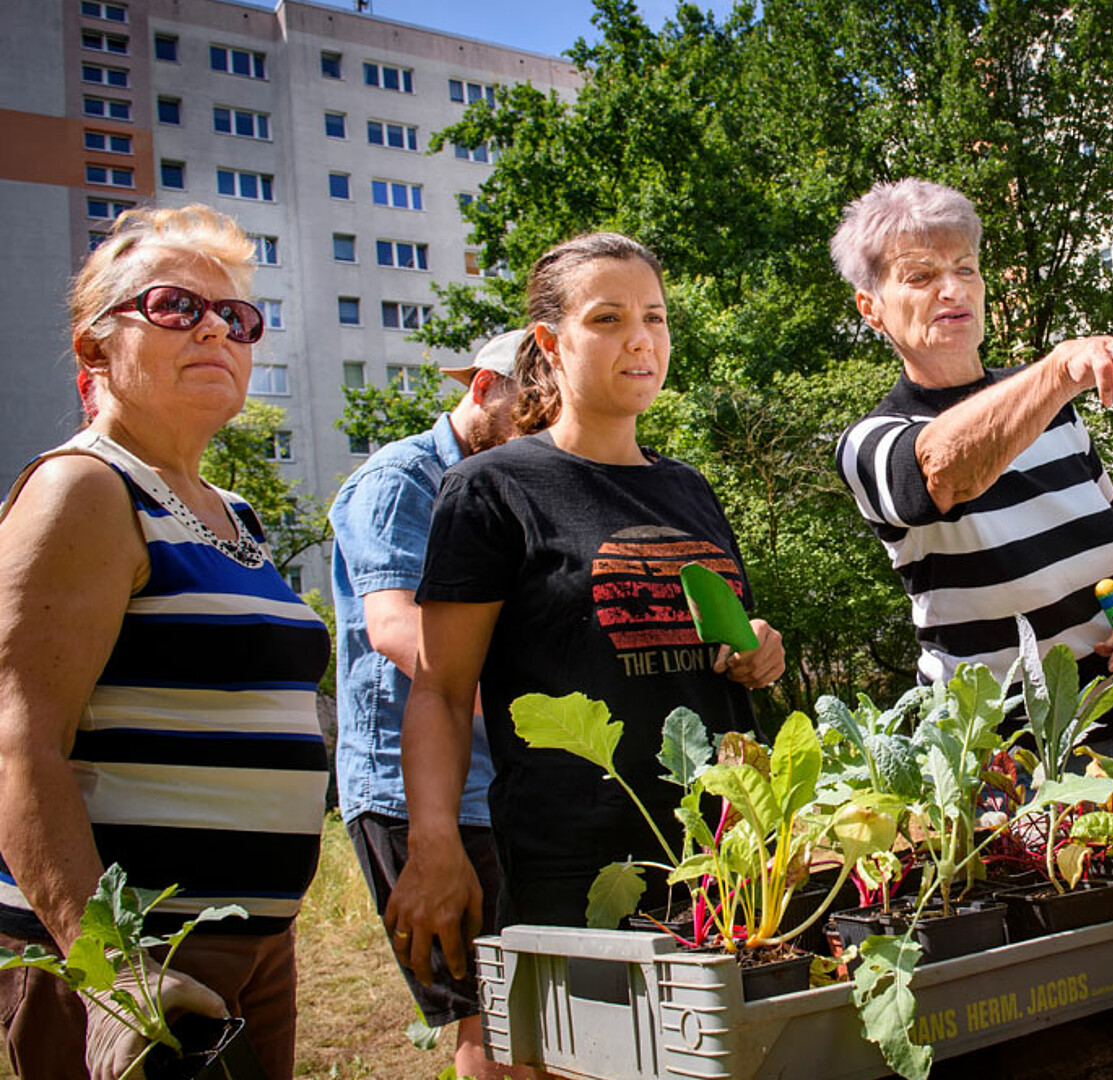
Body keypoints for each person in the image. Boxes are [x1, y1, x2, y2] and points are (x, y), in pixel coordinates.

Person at [383, 233, 785, 989]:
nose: (640, 339)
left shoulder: (689, 489)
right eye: (607, 318)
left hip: (732, 858)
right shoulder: (492, 489)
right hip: (581, 872)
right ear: (550, 342)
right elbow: (439, 688)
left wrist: (760, 650)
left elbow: (728, 648)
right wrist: (433, 844)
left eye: (655, 317)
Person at [0, 205, 329, 1078]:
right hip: (136, 958)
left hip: (251, 952)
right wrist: (112, 973)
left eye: (238, 316)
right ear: (95, 348)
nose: (218, 327)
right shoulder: (84, 488)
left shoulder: (234, 513)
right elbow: (17, 744)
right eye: (178, 306)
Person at [830, 178, 1113, 739]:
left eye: (965, 268)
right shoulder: (871, 440)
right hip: (1004, 744)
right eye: (920, 276)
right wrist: (1062, 367)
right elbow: (942, 471)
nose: (952, 290)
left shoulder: (1054, 409)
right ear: (870, 308)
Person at [329, 329, 526, 1079]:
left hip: (502, 786)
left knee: (539, 1010)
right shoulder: (402, 478)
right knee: (494, 1022)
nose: (541, 429)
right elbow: (397, 632)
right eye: (527, 410)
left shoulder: (508, 482)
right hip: (417, 792)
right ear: (482, 390)